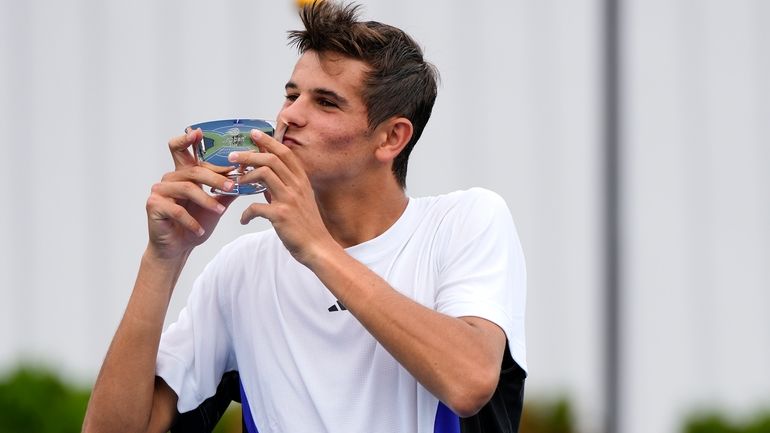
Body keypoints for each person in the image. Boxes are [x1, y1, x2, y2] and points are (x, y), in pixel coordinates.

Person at [82, 2, 527, 432]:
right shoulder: (242, 269)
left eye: (326, 102)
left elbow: (469, 382)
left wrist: (316, 247)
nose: (289, 116)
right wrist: (163, 259)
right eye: (291, 95)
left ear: (392, 137)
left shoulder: (464, 219)